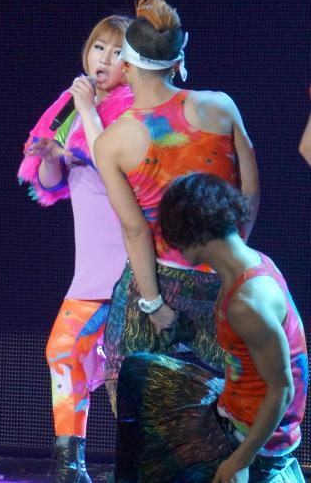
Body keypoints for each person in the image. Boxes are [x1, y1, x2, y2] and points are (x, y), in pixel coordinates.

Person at [95, 0, 260, 397]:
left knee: (131, 390)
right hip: (223, 273)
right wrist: (232, 258)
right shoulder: (221, 107)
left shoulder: (112, 142)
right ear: (176, 62)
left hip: (159, 282)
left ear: (126, 66)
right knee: (244, 388)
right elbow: (250, 191)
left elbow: (136, 230)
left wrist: (153, 304)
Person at [115, 173, 307, 483]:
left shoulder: (248, 302)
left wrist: (238, 463)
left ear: (195, 232)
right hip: (228, 406)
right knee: (138, 370)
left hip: (249, 443)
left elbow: (283, 390)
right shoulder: (250, 264)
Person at [18, 15, 133, 483]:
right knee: (65, 353)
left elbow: (111, 163)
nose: (104, 59)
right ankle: (70, 465)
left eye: (117, 52)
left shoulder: (133, 109)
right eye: (98, 47)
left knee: (126, 373)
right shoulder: (72, 108)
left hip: (129, 265)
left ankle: (138, 464)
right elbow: (52, 185)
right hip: (91, 269)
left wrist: (87, 110)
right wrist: (51, 157)